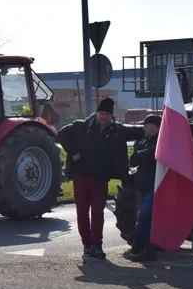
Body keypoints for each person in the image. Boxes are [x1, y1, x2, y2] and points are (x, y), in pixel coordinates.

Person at [57, 97, 130, 260]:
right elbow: (61, 135)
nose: (104, 117)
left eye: (107, 114)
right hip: (81, 176)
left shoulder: (116, 130)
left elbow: (136, 132)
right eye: (101, 113)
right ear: (97, 113)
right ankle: (87, 244)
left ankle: (97, 244)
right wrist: (73, 152)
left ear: (111, 116)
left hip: (100, 178)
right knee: (82, 212)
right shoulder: (81, 126)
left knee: (98, 212)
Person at [127, 114, 161, 262]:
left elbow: (157, 154)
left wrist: (143, 155)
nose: (142, 128)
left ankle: (143, 248)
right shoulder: (141, 141)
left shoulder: (162, 141)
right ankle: (141, 248)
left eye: (145, 125)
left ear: (152, 126)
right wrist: (145, 155)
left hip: (155, 185)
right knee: (145, 216)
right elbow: (133, 160)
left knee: (144, 216)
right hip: (143, 185)